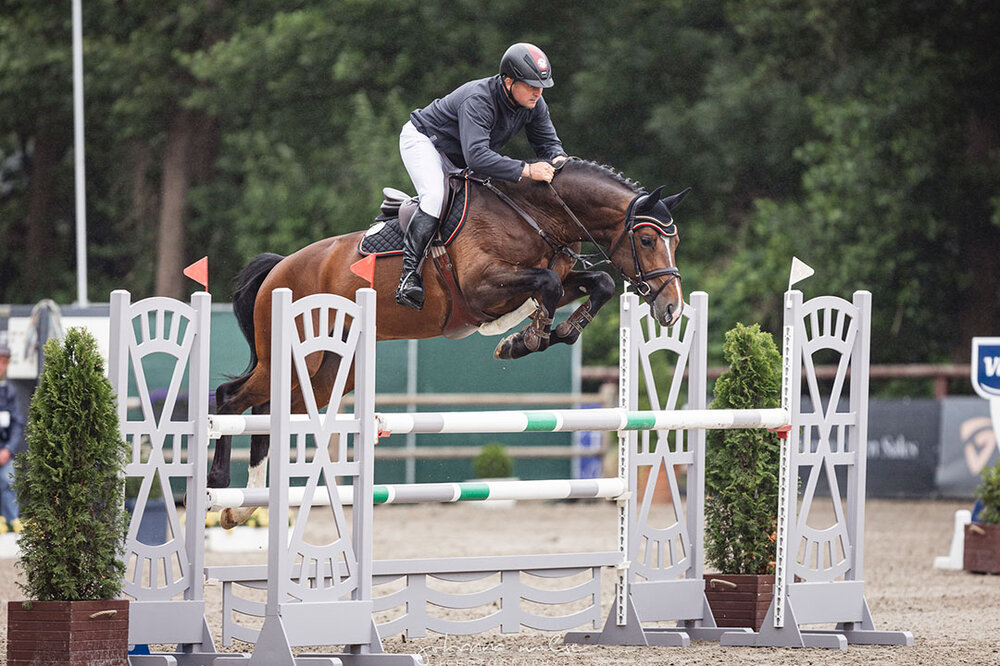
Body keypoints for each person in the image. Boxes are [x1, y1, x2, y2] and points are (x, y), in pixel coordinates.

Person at [395, 42, 569, 310]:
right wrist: (527, 170)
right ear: (509, 82)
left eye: (542, 85)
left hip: (459, 157)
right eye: (532, 84)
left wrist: (559, 160)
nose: (539, 91)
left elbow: (548, 144)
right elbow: (477, 156)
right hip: (426, 142)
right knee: (434, 197)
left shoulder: (534, 102)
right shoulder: (479, 99)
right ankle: (409, 277)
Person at [0, 340, 24, 524]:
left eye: (5, 361)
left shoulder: (10, 391)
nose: (1, 365)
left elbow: (18, 423)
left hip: (5, 453)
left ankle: (11, 522)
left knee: (9, 479)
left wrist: (7, 450)